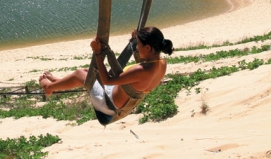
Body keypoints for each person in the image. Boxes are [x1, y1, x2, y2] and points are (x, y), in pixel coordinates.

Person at [39, 27, 173, 117]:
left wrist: (97, 53)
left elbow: (107, 81)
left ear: (148, 47)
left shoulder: (140, 71)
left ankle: (49, 88)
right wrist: (133, 40)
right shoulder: (161, 63)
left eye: (138, 44)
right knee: (88, 71)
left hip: (109, 104)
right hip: (126, 100)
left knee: (80, 74)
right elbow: (142, 64)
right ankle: (58, 83)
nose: (137, 47)